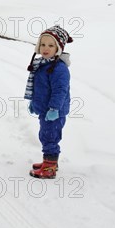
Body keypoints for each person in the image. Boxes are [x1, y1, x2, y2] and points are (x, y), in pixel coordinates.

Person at [24, 25, 73, 179]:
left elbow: (60, 91)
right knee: (45, 134)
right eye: (43, 44)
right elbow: (39, 88)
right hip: (45, 109)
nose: (46, 48)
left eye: (51, 45)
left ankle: (49, 168)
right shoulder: (43, 64)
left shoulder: (59, 69)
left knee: (49, 137)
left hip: (54, 111)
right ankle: (51, 162)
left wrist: (54, 108)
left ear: (58, 48)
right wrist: (34, 102)